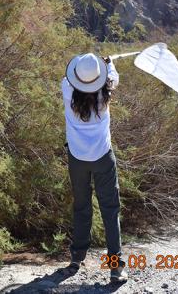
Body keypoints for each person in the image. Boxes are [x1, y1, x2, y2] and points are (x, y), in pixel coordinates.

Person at [61, 52, 127, 283]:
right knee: (110, 210)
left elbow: (70, 77)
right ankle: (115, 267)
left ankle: (76, 258)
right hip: (102, 157)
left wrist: (94, 66)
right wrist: (109, 63)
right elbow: (113, 77)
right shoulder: (105, 90)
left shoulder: (67, 90)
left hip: (77, 158)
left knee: (81, 207)